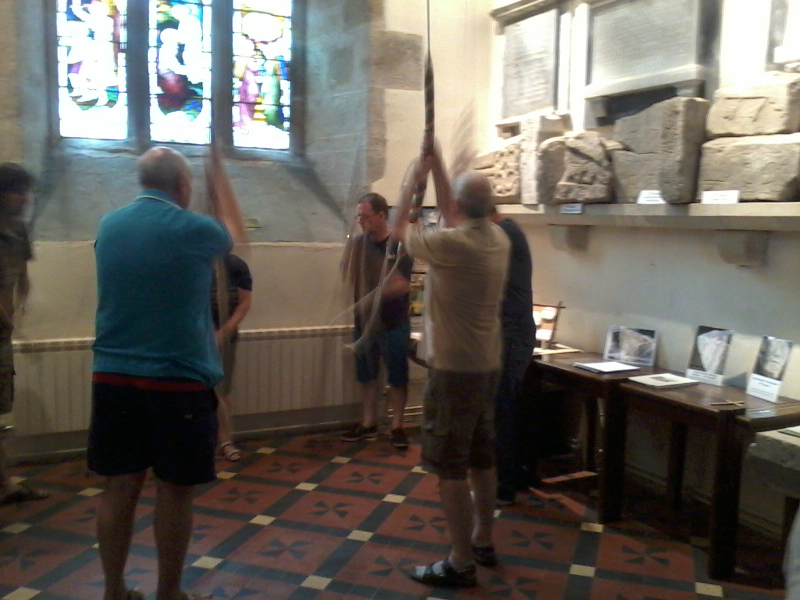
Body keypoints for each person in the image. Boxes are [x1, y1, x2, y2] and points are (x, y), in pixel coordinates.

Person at [89, 146, 245, 600]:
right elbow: (235, 234)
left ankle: (114, 591)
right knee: (175, 490)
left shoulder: (109, 224)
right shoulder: (192, 228)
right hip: (175, 379)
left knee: (119, 487)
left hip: (112, 374)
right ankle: (169, 593)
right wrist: (219, 179)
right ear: (182, 186)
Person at [395, 143, 510, 588]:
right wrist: (439, 163)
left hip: (454, 371)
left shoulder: (452, 243)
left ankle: (460, 560)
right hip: (486, 366)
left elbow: (398, 227)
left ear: (460, 207)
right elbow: (453, 210)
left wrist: (412, 183)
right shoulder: (496, 238)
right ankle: (483, 537)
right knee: (482, 455)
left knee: (449, 466)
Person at [340, 193, 414, 449]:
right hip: (364, 321)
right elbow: (351, 275)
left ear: (381, 216)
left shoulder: (399, 244)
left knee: (397, 375)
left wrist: (374, 296)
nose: (361, 221)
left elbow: (403, 285)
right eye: (358, 217)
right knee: (366, 374)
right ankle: (368, 422)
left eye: (365, 217)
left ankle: (397, 426)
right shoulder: (359, 244)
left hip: (393, 321)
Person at [0, 163, 48, 507]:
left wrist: (19, 310)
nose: (25, 199)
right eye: (18, 191)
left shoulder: (17, 229)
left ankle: (6, 485)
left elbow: (22, 276)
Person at [488, 205, 535, 506]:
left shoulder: (505, 234)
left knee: (503, 408)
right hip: (508, 332)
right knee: (503, 407)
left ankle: (506, 483)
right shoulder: (505, 231)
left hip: (512, 334)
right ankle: (510, 475)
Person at [212, 252, 253, 462]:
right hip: (193, 336)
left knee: (222, 387)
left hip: (223, 336)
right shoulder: (192, 261)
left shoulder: (235, 264)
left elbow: (244, 303)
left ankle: (226, 440)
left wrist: (224, 331)